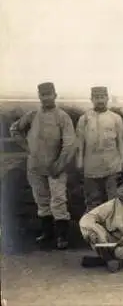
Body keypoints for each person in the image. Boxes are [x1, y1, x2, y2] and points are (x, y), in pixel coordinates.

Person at [10, 82, 76, 250]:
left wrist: (60, 163)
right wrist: (27, 147)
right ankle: (47, 234)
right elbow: (15, 129)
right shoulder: (32, 115)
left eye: (49, 94)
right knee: (41, 199)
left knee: (58, 200)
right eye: (43, 94)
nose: (46, 97)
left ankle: (62, 236)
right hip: (35, 166)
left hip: (55, 166)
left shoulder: (62, 117)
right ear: (39, 96)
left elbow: (69, 143)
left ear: (55, 95)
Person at [79, 171, 123, 273]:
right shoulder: (111, 204)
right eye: (122, 186)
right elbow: (88, 217)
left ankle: (108, 259)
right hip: (112, 241)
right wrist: (92, 234)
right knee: (92, 231)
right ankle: (112, 260)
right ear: (117, 189)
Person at [76, 86, 123, 212]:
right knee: (93, 200)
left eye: (102, 97)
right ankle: (93, 228)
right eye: (96, 97)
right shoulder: (84, 119)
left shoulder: (116, 118)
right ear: (91, 99)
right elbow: (80, 143)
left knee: (113, 200)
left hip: (112, 166)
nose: (100, 100)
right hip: (91, 167)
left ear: (107, 98)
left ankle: (113, 228)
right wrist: (79, 162)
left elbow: (121, 141)